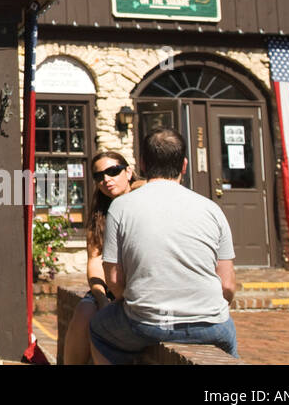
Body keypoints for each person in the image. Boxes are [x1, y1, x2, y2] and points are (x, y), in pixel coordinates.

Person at [89, 128, 239, 363]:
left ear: (142, 164)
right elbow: (228, 286)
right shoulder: (212, 209)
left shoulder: (121, 207)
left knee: (99, 328)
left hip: (147, 323)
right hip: (210, 324)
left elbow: (115, 281)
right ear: (184, 165)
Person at [61, 151, 144, 365]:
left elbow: (153, 186)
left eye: (113, 171)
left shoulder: (146, 198)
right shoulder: (100, 216)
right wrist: (101, 299)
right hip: (108, 287)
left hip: (141, 285)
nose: (106, 179)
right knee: (84, 310)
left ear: (128, 171)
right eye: (99, 176)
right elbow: (95, 261)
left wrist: (135, 187)